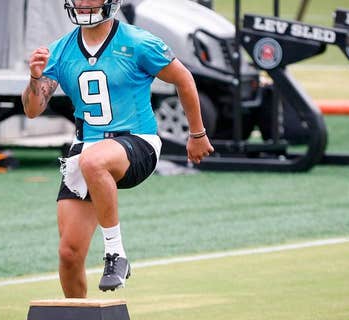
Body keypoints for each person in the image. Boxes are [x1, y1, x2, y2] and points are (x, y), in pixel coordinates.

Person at [21, 0, 214, 298]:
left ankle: (115, 253)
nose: (83, 2)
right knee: (69, 254)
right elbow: (33, 109)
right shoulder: (60, 49)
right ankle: (79, 317)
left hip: (137, 142)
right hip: (87, 146)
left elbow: (183, 79)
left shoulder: (138, 42)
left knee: (94, 160)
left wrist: (197, 134)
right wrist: (35, 78)